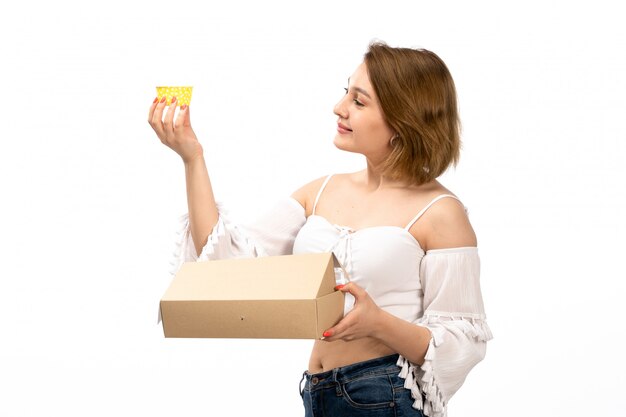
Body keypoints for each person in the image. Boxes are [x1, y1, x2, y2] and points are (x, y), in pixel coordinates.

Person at [148, 42, 492, 417]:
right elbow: (228, 268)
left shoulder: (441, 213)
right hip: (318, 392)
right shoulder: (320, 191)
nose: (339, 107)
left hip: (385, 394)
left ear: (403, 120)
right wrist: (192, 158)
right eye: (347, 92)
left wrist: (378, 323)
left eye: (359, 102)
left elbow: (462, 342)